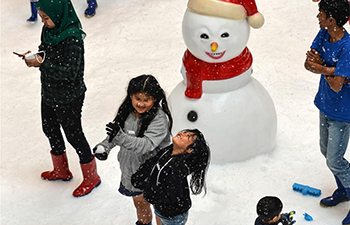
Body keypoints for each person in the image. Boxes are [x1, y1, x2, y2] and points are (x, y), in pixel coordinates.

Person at [15, 0, 101, 197]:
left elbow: (70, 72)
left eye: (46, 17)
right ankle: (62, 170)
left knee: (74, 135)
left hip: (70, 96)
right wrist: (35, 57)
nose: (43, 22)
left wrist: (42, 64)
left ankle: (91, 176)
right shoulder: (49, 32)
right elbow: (46, 53)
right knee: (50, 128)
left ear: (59, 14)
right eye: (42, 17)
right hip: (50, 92)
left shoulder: (72, 39)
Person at [93, 74, 173, 225]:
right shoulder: (127, 113)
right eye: (138, 99)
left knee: (159, 208)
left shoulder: (159, 119)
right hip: (132, 172)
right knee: (140, 204)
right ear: (131, 96)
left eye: (146, 100)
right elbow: (117, 134)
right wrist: (105, 146)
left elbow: (146, 145)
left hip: (154, 174)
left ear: (155, 99)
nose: (141, 104)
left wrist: (120, 137)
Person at [304, 0, 350, 224]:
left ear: (331, 19)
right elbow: (308, 63)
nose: (317, 17)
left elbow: (337, 85)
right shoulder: (322, 35)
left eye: (320, 14)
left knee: (335, 160)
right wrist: (331, 70)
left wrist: (322, 67)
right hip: (325, 105)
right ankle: (344, 190)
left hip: (342, 113)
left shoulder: (348, 47)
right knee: (326, 152)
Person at [131, 129, 211, 225]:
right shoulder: (169, 150)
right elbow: (153, 161)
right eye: (185, 132)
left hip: (173, 216)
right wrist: (140, 174)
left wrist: (146, 188)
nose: (182, 133)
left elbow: (167, 195)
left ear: (189, 149)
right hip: (162, 209)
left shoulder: (177, 169)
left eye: (188, 136)